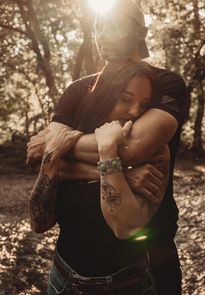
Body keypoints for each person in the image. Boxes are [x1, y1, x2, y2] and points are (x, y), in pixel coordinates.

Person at [27, 0, 188, 294]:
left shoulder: (165, 84)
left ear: (141, 31)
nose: (102, 31)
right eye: (99, 24)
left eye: (114, 23)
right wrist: (123, 172)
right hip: (68, 263)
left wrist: (63, 148)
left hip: (146, 257)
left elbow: (134, 147)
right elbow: (40, 152)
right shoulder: (78, 89)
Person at [30, 59, 168, 295]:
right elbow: (39, 223)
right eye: (125, 98)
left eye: (144, 105)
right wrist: (51, 155)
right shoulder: (74, 135)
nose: (135, 112)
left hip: (127, 286)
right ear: (105, 94)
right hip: (63, 281)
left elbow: (125, 227)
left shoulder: (156, 152)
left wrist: (107, 151)